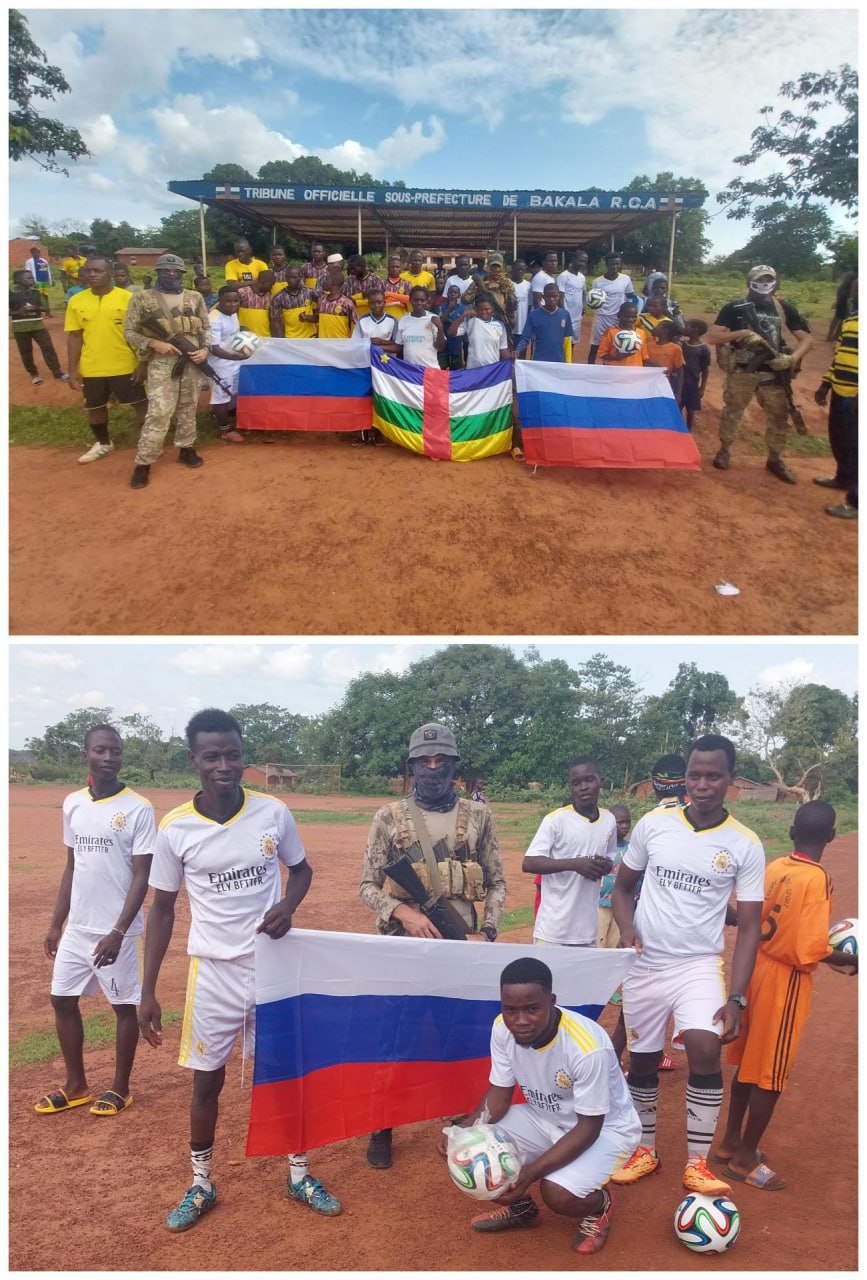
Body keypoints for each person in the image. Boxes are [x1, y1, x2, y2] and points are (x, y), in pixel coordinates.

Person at [138, 708, 340, 1231]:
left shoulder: (273, 813)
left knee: (285, 1076)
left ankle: (298, 1173)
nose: (223, 764)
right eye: (212, 755)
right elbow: (161, 909)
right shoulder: (175, 827)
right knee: (208, 1082)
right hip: (213, 973)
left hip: (274, 969)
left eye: (232, 753)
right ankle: (201, 1183)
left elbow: (301, 870)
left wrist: (289, 905)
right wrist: (147, 991)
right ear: (194, 760)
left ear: (242, 755)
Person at [610, 734, 766, 1195]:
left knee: (703, 1047)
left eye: (713, 775)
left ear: (730, 781)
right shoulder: (654, 826)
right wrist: (625, 927)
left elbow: (751, 926)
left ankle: (697, 1161)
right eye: (695, 775)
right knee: (640, 1061)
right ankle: (646, 1150)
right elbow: (623, 888)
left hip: (698, 964)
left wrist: (736, 996)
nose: (702, 784)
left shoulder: (745, 844)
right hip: (645, 964)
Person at [359, 721, 507, 1168]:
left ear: (454, 767)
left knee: (457, 1036)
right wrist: (404, 912)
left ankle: (463, 1124)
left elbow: (497, 882)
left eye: (442, 760)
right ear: (412, 767)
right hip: (404, 946)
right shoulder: (388, 817)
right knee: (395, 1037)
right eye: (424, 762)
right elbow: (367, 886)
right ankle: (382, 1125)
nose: (433, 768)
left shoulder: (478, 816)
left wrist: (490, 931)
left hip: (461, 945)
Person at [715, 801, 857, 1191]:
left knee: (748, 1061)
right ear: (831, 836)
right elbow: (811, 946)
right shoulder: (818, 879)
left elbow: (752, 919)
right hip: (786, 981)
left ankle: (729, 1143)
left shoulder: (776, 867)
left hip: (755, 968)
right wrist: (850, 959)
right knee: (771, 1072)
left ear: (793, 832)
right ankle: (745, 1160)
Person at [459, 957, 640, 1255]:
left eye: (532, 1009)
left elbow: (588, 1128)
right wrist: (463, 1132)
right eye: (510, 1009)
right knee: (472, 1155)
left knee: (557, 1193)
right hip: (544, 1118)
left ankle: (599, 1206)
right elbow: (499, 1095)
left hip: (606, 1130)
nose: (520, 1020)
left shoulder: (586, 1048)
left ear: (551, 1001)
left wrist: (529, 1174)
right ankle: (522, 1210)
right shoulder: (502, 1030)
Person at [36, 725, 155, 1118]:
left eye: (115, 751)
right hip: (79, 927)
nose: (109, 758)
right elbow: (73, 865)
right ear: (85, 754)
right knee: (61, 1000)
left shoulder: (138, 808)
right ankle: (76, 1085)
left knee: (123, 1006)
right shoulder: (73, 804)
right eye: (100, 751)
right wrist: (58, 923)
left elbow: (142, 875)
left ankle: (120, 1088)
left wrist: (118, 931)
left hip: (114, 930)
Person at [707, 265, 812, 482]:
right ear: (749, 281)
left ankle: (775, 458)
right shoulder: (734, 307)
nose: (764, 283)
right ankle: (725, 450)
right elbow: (713, 337)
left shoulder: (784, 308)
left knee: (779, 416)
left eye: (768, 279)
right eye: (759, 279)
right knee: (733, 411)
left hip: (774, 371)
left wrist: (791, 359)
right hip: (743, 370)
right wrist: (744, 333)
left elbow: (807, 339)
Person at [123, 253, 210, 489]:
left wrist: (205, 349)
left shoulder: (195, 297)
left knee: (188, 407)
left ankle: (186, 448)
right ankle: (144, 463)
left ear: (183, 274)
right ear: (157, 273)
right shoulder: (142, 298)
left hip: (192, 360)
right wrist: (154, 344)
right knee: (159, 411)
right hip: (162, 362)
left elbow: (206, 327)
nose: (171, 275)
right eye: (166, 271)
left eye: (176, 272)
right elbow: (129, 332)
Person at [524, 757, 616, 948]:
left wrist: (604, 865)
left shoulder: (609, 820)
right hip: (553, 932)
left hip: (588, 931)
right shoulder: (556, 820)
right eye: (576, 783)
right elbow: (529, 863)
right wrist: (575, 864)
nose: (583, 787)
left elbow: (610, 858)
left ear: (601, 781)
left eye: (589, 780)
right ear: (570, 788)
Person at [66, 256, 147, 465]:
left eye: (97, 271)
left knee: (140, 404)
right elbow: (74, 336)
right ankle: (103, 443)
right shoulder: (76, 301)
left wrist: (142, 362)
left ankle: (149, 443)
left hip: (125, 364)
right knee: (95, 407)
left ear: (111, 274)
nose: (91, 275)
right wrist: (72, 369)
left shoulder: (128, 298)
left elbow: (142, 332)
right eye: (88, 271)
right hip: (92, 366)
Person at [814, 273, 857, 520]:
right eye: (854, 289)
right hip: (841, 390)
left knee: (856, 446)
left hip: (856, 395)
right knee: (840, 438)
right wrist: (825, 384)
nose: (853, 293)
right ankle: (843, 478)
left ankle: (856, 500)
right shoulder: (851, 319)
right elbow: (840, 356)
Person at [208, 284, 251, 444]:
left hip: (232, 361)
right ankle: (225, 430)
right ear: (220, 300)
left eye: (236, 301)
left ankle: (223, 416)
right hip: (220, 365)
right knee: (221, 397)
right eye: (228, 301)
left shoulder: (232, 313)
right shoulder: (214, 319)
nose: (233, 304)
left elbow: (231, 334)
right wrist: (236, 357)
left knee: (233, 393)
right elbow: (214, 348)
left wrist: (243, 329)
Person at [10, 269, 67, 385]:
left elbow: (46, 308)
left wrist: (35, 308)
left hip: (38, 325)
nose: (32, 279)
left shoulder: (36, 293)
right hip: (20, 328)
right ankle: (34, 374)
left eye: (32, 277)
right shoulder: (10, 294)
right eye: (28, 278)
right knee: (26, 351)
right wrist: (18, 312)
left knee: (48, 348)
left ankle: (58, 373)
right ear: (18, 280)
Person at [588, 254, 634, 364]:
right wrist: (594, 305)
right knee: (595, 345)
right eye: (612, 264)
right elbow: (592, 301)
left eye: (617, 264)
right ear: (607, 265)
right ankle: (590, 368)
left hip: (618, 318)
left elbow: (631, 296)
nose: (615, 266)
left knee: (617, 344)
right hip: (601, 317)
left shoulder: (625, 279)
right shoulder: (597, 282)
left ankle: (613, 367)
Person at [515, 282, 573, 362]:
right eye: (548, 296)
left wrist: (568, 362)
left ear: (559, 296)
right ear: (543, 297)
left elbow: (567, 340)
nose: (552, 299)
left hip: (559, 361)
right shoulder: (534, 315)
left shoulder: (565, 314)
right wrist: (518, 350)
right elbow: (525, 337)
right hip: (539, 361)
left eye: (555, 296)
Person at [461, 253, 517, 333]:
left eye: (498, 266)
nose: (496, 269)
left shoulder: (507, 283)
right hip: (482, 320)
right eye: (493, 266)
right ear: (488, 267)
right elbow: (465, 300)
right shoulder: (482, 280)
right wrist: (478, 288)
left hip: (501, 321)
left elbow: (513, 306)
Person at [450, 299, 510, 369]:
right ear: (476, 310)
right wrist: (464, 315)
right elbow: (451, 333)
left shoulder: (500, 325)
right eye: (480, 309)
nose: (484, 312)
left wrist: (511, 361)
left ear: (492, 310)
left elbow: (503, 349)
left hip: (492, 369)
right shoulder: (471, 322)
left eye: (487, 309)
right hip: (473, 369)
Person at [396, 286, 445, 369]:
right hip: (410, 371)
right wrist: (375, 346)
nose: (419, 303)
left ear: (426, 301)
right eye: (415, 300)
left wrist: (440, 328)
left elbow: (440, 348)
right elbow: (399, 346)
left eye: (422, 300)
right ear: (410, 300)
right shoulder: (403, 319)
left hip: (429, 370)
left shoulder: (433, 319)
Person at [596, 303, 652, 367]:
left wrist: (659, 367)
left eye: (633, 317)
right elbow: (601, 353)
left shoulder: (641, 333)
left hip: (634, 372)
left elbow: (644, 356)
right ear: (619, 315)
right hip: (614, 371)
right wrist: (616, 358)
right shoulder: (610, 332)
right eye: (626, 316)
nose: (630, 320)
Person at [315, 256, 359, 338]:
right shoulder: (321, 300)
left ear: (334, 282)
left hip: (341, 347)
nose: (324, 282)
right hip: (323, 346)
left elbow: (356, 324)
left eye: (327, 280)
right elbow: (318, 319)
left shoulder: (347, 303)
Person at [269, 266, 318, 339]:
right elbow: (275, 321)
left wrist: (314, 317)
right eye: (289, 277)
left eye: (295, 277)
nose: (292, 280)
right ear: (285, 278)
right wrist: (281, 341)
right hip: (291, 338)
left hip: (311, 336)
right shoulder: (279, 297)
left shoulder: (309, 292)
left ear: (300, 277)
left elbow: (323, 302)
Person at [680, 319, 711, 432]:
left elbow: (705, 369)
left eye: (686, 326)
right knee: (678, 407)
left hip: (692, 384)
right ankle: (678, 430)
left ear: (695, 330)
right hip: (680, 382)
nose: (684, 328)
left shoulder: (703, 349)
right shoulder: (682, 344)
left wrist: (702, 388)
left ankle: (689, 431)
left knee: (690, 410)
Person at [647, 319, 685, 400]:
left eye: (657, 326)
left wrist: (678, 393)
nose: (654, 328)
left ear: (665, 331)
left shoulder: (675, 348)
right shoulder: (648, 346)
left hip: (663, 385)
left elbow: (680, 371)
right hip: (646, 384)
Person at [557, 251, 588, 340]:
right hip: (566, 319)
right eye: (581, 261)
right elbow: (560, 297)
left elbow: (583, 293)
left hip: (577, 318)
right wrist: (563, 315)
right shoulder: (563, 276)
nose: (583, 264)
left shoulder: (582, 277)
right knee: (563, 344)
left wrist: (584, 307)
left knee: (573, 343)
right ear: (573, 260)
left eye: (585, 262)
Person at [237, 271, 276, 339]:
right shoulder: (242, 292)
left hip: (264, 337)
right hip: (245, 338)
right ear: (264, 282)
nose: (272, 287)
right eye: (271, 284)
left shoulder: (269, 295)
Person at [438, 285, 467, 370]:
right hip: (443, 342)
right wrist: (449, 308)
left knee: (456, 369)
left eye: (455, 293)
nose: (453, 294)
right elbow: (440, 321)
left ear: (459, 295)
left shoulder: (461, 309)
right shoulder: (442, 307)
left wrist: (449, 321)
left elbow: (461, 325)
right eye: (451, 292)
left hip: (456, 343)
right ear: (447, 294)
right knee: (441, 368)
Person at [510, 259, 532, 350]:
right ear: (512, 270)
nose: (520, 271)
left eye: (522, 269)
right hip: (509, 329)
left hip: (522, 328)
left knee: (521, 354)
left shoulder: (529, 286)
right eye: (518, 269)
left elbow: (530, 307)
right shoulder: (507, 284)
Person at [383, 254, 412, 321]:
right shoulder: (381, 283)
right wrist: (398, 302)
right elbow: (380, 300)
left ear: (401, 269)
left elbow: (409, 299)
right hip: (385, 317)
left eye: (397, 267)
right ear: (388, 269)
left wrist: (388, 294)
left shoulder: (406, 283)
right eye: (392, 267)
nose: (394, 269)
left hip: (402, 317)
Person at [24, 246, 53, 311]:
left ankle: (47, 311)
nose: (37, 253)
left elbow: (47, 270)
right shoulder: (29, 261)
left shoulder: (43, 260)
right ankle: (38, 311)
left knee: (46, 296)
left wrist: (51, 279)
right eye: (35, 252)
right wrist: (32, 282)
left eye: (38, 252)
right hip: (37, 281)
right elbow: (28, 273)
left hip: (45, 281)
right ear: (32, 253)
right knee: (37, 297)